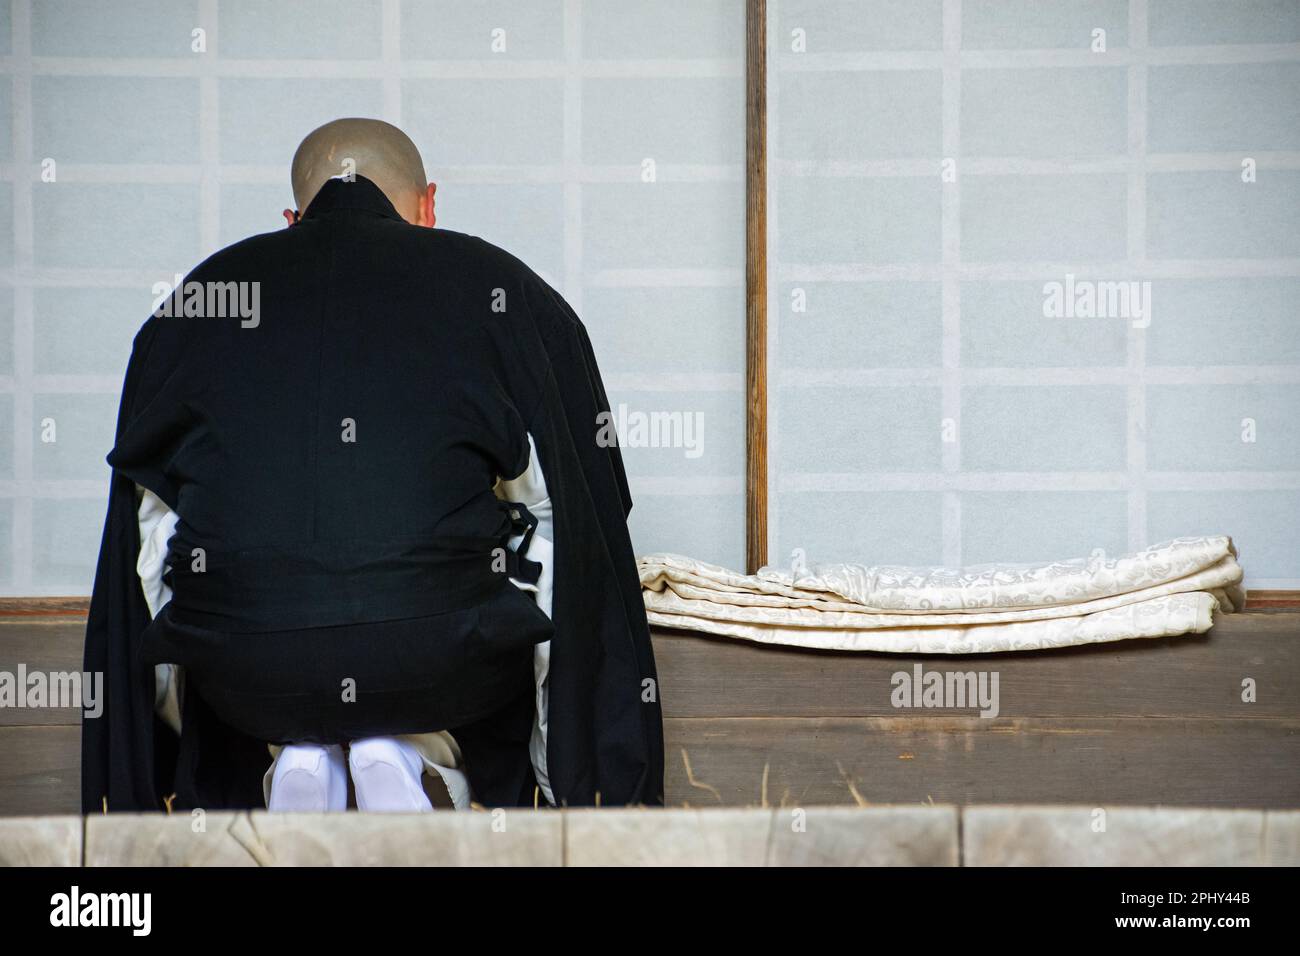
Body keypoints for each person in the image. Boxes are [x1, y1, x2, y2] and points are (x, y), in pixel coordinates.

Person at [81, 118, 664, 812]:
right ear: (430, 206)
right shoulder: (502, 290)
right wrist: (569, 774)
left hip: (249, 677)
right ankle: (418, 760)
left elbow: (144, 546)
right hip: (438, 664)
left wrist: (153, 761)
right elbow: (572, 523)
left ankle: (297, 759)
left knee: (235, 608)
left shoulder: (197, 303)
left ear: (293, 218)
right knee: (487, 587)